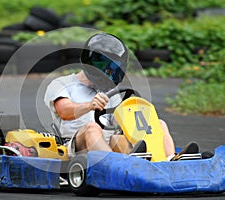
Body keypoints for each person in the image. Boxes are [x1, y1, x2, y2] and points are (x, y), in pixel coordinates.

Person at [44, 33, 199, 161]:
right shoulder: (62, 84)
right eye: (107, 66)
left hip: (109, 144)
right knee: (93, 128)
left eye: (115, 68)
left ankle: (169, 160)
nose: (110, 72)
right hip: (75, 146)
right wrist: (89, 106)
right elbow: (64, 111)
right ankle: (116, 166)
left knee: (158, 123)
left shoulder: (111, 90)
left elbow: (118, 122)